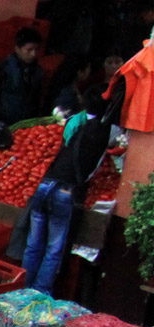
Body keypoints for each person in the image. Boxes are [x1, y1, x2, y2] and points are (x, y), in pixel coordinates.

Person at [14, 86, 113, 293]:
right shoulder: (102, 130)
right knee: (54, 248)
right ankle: (39, 292)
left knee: (34, 244)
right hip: (64, 191)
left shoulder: (75, 122)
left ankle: (21, 287)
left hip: (45, 183)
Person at [0, 27, 46, 125]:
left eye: (36, 49)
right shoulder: (3, 70)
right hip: (3, 123)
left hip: (25, 125)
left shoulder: (38, 72)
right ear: (17, 49)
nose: (33, 54)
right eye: (29, 50)